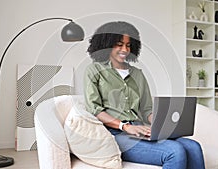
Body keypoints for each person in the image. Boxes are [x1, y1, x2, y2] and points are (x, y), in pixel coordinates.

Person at [83, 21, 205, 169]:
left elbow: (147, 109)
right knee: (175, 151)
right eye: (119, 44)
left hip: (139, 129)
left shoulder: (137, 74)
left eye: (128, 45)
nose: (124, 49)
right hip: (115, 134)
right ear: (107, 45)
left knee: (193, 147)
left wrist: (162, 125)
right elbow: (95, 111)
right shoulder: (94, 70)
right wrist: (125, 126)